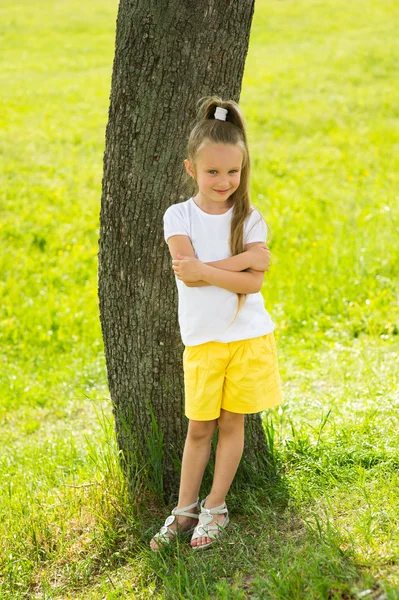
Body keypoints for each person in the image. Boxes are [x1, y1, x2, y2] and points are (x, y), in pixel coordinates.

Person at [150, 95, 284, 552]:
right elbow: (186, 268)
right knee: (199, 428)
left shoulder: (249, 216)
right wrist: (237, 268)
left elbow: (256, 279)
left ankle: (216, 506)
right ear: (191, 169)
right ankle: (185, 509)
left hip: (248, 339)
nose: (224, 181)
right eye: (213, 172)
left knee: (232, 425)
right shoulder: (178, 215)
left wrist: (208, 271)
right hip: (204, 342)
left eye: (234, 172)